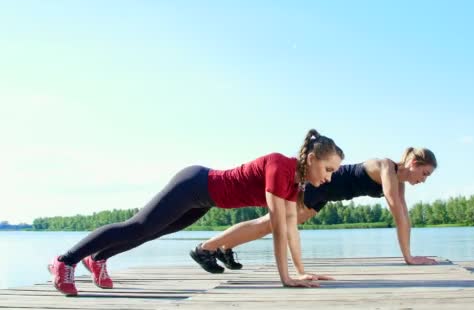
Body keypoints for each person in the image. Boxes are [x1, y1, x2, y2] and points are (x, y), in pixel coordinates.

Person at [48, 129, 344, 296]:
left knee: (152, 232)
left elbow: (291, 229)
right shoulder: (280, 166)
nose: (329, 177)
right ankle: (65, 261)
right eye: (328, 169)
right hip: (194, 184)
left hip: (203, 201)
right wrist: (286, 278)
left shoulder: (295, 185)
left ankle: (97, 258)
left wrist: (300, 271)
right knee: (139, 225)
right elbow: (278, 228)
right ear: (311, 158)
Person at [191, 147, 437, 279]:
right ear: (414, 164)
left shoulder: (399, 181)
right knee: (270, 224)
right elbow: (397, 212)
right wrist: (409, 258)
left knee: (269, 224)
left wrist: (410, 256)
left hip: (324, 196)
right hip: (320, 184)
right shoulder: (386, 167)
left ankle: (220, 247)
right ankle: (207, 248)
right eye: (424, 173)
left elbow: (404, 215)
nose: (423, 180)